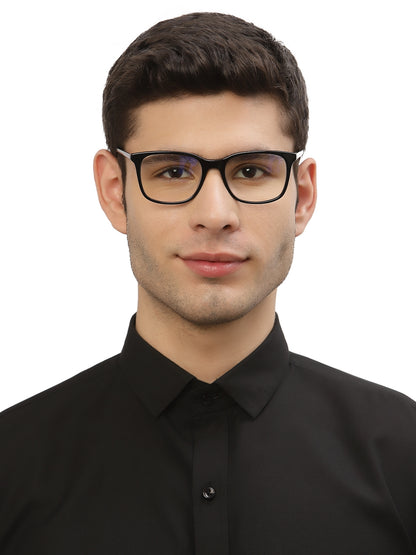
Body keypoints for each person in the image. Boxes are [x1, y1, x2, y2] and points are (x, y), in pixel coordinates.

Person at [0, 11, 415, 554]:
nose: (215, 215)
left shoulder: (405, 455)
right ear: (114, 191)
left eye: (251, 170)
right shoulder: (11, 464)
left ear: (303, 196)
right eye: (173, 171)